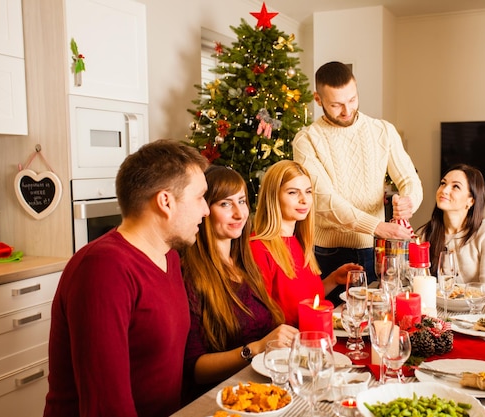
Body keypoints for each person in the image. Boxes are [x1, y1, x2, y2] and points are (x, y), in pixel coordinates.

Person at [44, 140, 210, 417]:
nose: (206, 210)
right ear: (165, 201)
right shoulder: (103, 269)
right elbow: (105, 407)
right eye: (199, 197)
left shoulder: (169, 256)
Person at [292, 61, 423, 303]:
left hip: (374, 250)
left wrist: (409, 200)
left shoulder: (382, 131)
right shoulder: (306, 140)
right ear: (318, 100)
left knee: (374, 321)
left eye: (352, 99)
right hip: (327, 252)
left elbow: (409, 178)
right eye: (336, 104)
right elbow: (324, 201)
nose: (347, 110)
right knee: (333, 326)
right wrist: (377, 227)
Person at [180, 165, 298, 404]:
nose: (239, 213)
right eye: (225, 204)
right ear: (204, 210)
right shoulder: (191, 275)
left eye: (242, 201)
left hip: (263, 392)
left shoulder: (245, 264)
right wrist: (256, 348)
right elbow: (195, 369)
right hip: (221, 401)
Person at [250, 160, 362, 326]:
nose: (304, 200)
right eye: (293, 192)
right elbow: (256, 318)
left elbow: (305, 302)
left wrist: (333, 280)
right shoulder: (259, 248)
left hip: (312, 337)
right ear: (273, 197)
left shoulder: (299, 242)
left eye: (308, 192)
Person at [416, 164, 485, 291]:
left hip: (481, 306)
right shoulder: (424, 234)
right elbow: (417, 285)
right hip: (441, 307)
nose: (444, 190)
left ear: (471, 200)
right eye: (443, 183)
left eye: (456, 186)